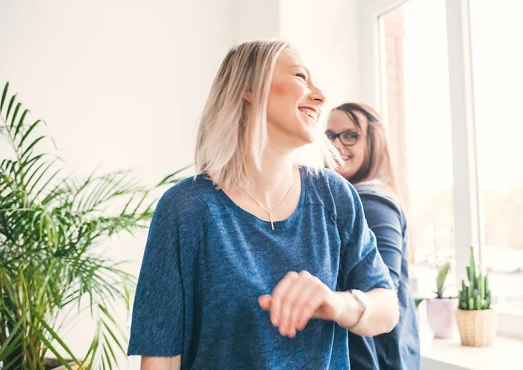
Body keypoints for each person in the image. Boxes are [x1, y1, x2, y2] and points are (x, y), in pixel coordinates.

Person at [127, 40, 399, 370]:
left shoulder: (334, 196)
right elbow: (162, 356)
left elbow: (387, 308)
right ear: (249, 89)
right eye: (301, 76)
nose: (320, 96)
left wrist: (334, 303)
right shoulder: (185, 209)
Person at [326, 103, 420, 370]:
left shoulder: (372, 204)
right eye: (330, 136)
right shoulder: (348, 197)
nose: (337, 144)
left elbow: (382, 292)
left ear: (374, 142)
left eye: (350, 135)